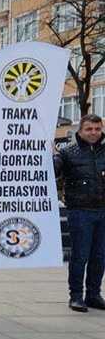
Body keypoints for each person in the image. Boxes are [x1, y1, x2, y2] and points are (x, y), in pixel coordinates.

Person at [54, 114, 105, 312]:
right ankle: (75, 296)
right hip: (80, 212)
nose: (93, 133)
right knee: (80, 256)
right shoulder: (67, 153)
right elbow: (52, 172)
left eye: (97, 129)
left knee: (100, 257)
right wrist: (50, 157)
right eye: (89, 129)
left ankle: (93, 295)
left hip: (102, 211)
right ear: (80, 131)